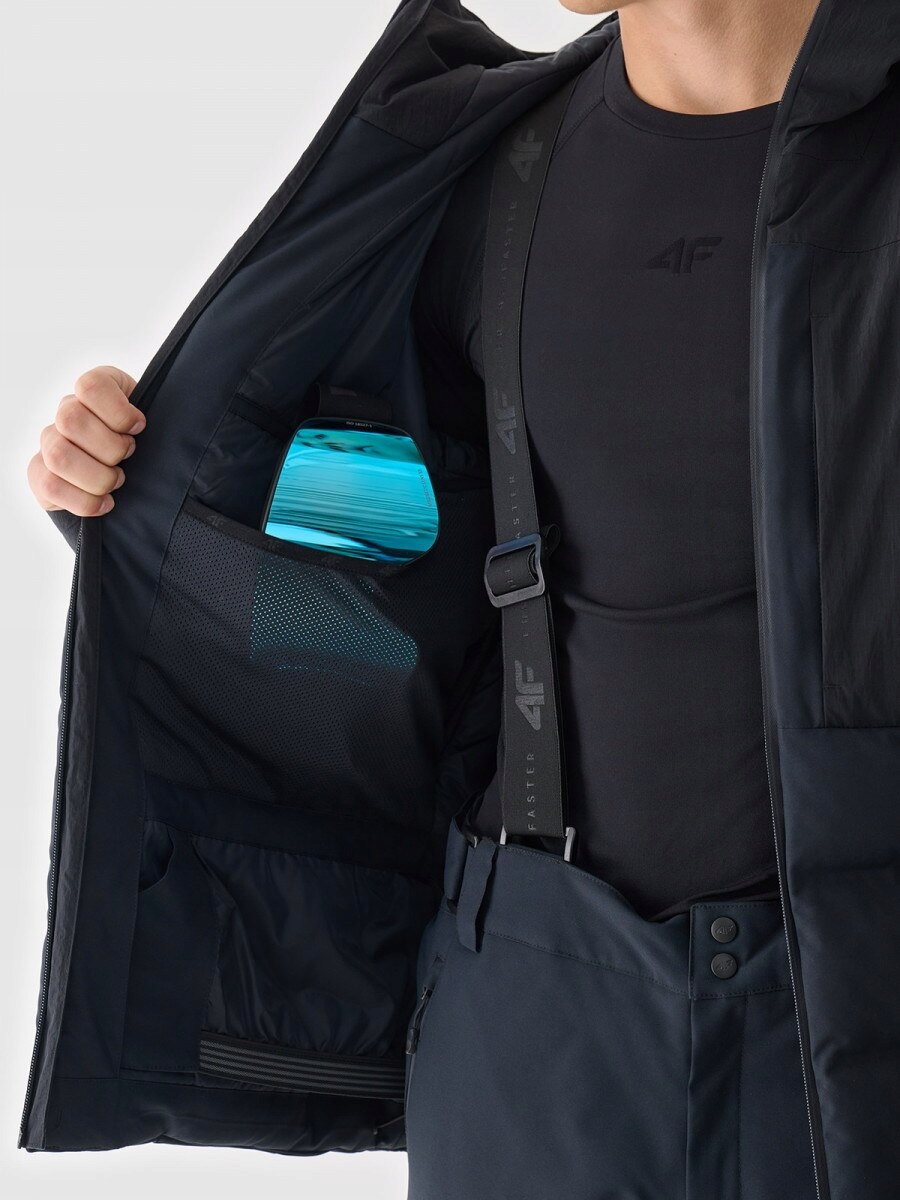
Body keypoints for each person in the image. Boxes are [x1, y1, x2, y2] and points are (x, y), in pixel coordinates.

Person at [26, 0, 817, 922]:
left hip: (859, 968)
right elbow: (367, 623)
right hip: (536, 971)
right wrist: (160, 500)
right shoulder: (490, 184)